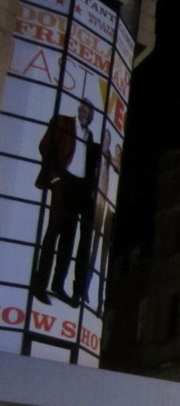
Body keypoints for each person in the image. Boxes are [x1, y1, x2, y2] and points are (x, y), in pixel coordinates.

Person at [31, 98, 101, 307]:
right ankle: (40, 284)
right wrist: (53, 175)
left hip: (78, 187)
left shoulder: (89, 135)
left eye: (89, 112)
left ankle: (58, 284)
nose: (85, 114)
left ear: (91, 116)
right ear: (78, 110)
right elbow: (45, 145)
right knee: (53, 231)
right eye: (83, 109)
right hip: (62, 179)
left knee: (68, 238)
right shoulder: (63, 122)